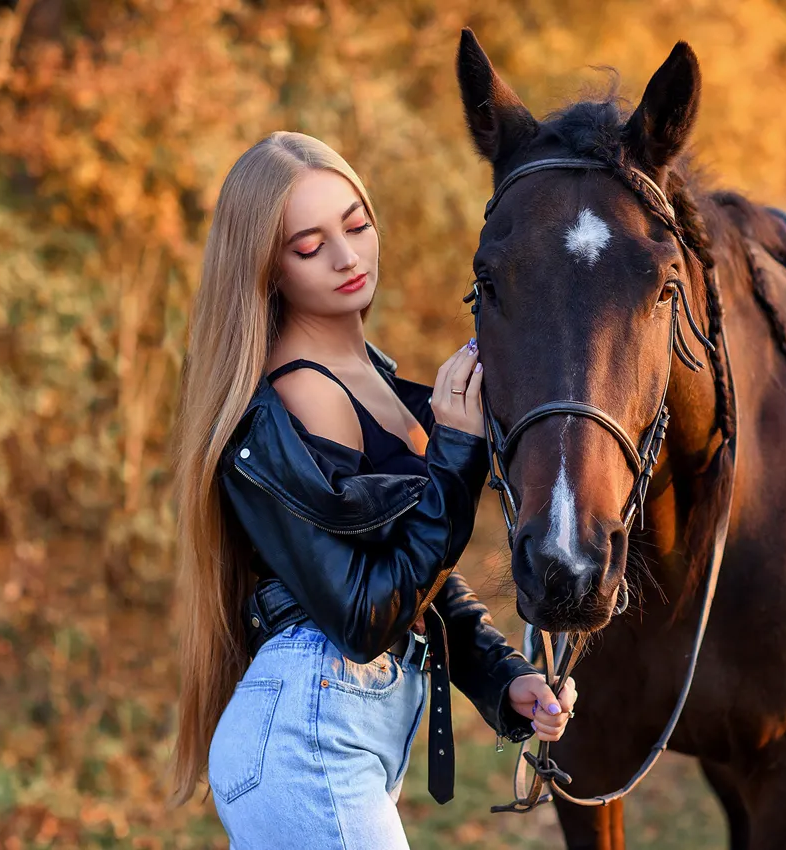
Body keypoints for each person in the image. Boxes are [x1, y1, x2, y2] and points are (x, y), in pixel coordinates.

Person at [168, 131, 578, 848]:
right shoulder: (298, 397)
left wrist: (502, 679)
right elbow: (362, 615)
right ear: (266, 269)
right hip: (309, 739)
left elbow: (415, 578)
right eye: (309, 245)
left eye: (356, 224)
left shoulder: (377, 382)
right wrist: (452, 455)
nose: (347, 256)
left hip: (334, 736)